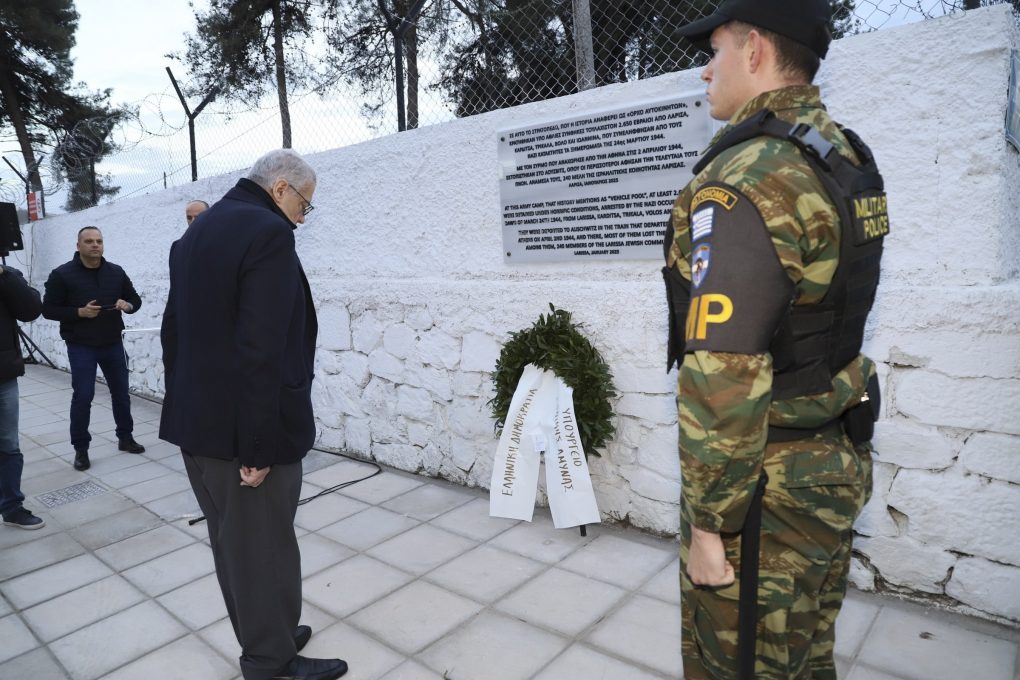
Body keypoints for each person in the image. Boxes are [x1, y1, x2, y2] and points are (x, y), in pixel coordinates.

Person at [663, 1, 888, 678]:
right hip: (832, 463)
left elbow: (724, 369)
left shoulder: (749, 174)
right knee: (806, 656)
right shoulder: (842, 154)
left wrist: (710, 526)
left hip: (765, 492)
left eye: (717, 51)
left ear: (755, 49)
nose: (706, 71)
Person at [160, 149, 346, 680]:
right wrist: (258, 446)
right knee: (262, 549)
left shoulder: (198, 231)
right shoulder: (267, 233)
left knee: (235, 546)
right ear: (282, 188)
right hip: (245, 433)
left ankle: (273, 630)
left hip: (200, 426)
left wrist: (188, 407)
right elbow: (261, 348)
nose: (303, 218)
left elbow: (176, 332)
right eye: (305, 206)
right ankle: (271, 661)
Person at [43, 227, 145, 471]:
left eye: (99, 241)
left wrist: (127, 305)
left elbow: (135, 300)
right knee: (83, 396)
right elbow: (48, 310)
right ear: (78, 246)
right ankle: (81, 448)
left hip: (112, 343)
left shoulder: (116, 272)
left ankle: (125, 437)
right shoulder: (62, 275)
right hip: (81, 345)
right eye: (89, 241)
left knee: (121, 393)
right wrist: (79, 312)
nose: (95, 245)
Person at [0, 263, 44, 529]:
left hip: (3, 376)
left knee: (8, 445)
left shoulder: (8, 275)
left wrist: (3, 275)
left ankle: (12, 506)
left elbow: (30, 309)